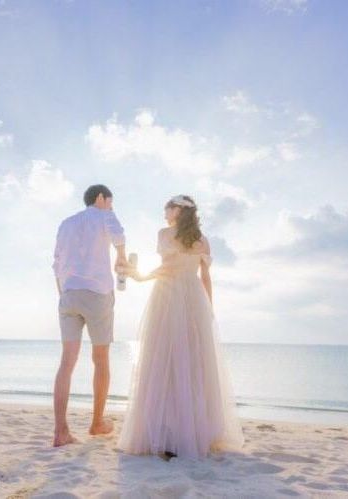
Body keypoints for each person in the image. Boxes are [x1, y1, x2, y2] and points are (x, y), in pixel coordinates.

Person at [118, 194, 243, 459]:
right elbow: (204, 277)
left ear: (177, 210)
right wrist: (209, 309)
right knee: (191, 362)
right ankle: (191, 432)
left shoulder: (165, 234)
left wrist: (140, 277)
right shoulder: (202, 240)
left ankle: (168, 432)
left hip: (169, 296)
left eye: (167, 208)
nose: (164, 213)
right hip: (192, 297)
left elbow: (167, 268)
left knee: (164, 359)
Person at [52, 184, 127, 447]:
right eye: (110, 201)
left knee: (66, 362)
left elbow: (56, 263)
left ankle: (60, 432)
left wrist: (63, 292)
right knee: (101, 359)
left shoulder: (66, 223)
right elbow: (119, 236)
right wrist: (121, 257)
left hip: (68, 294)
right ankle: (96, 423)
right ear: (101, 198)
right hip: (97, 293)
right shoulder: (104, 214)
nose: (111, 206)